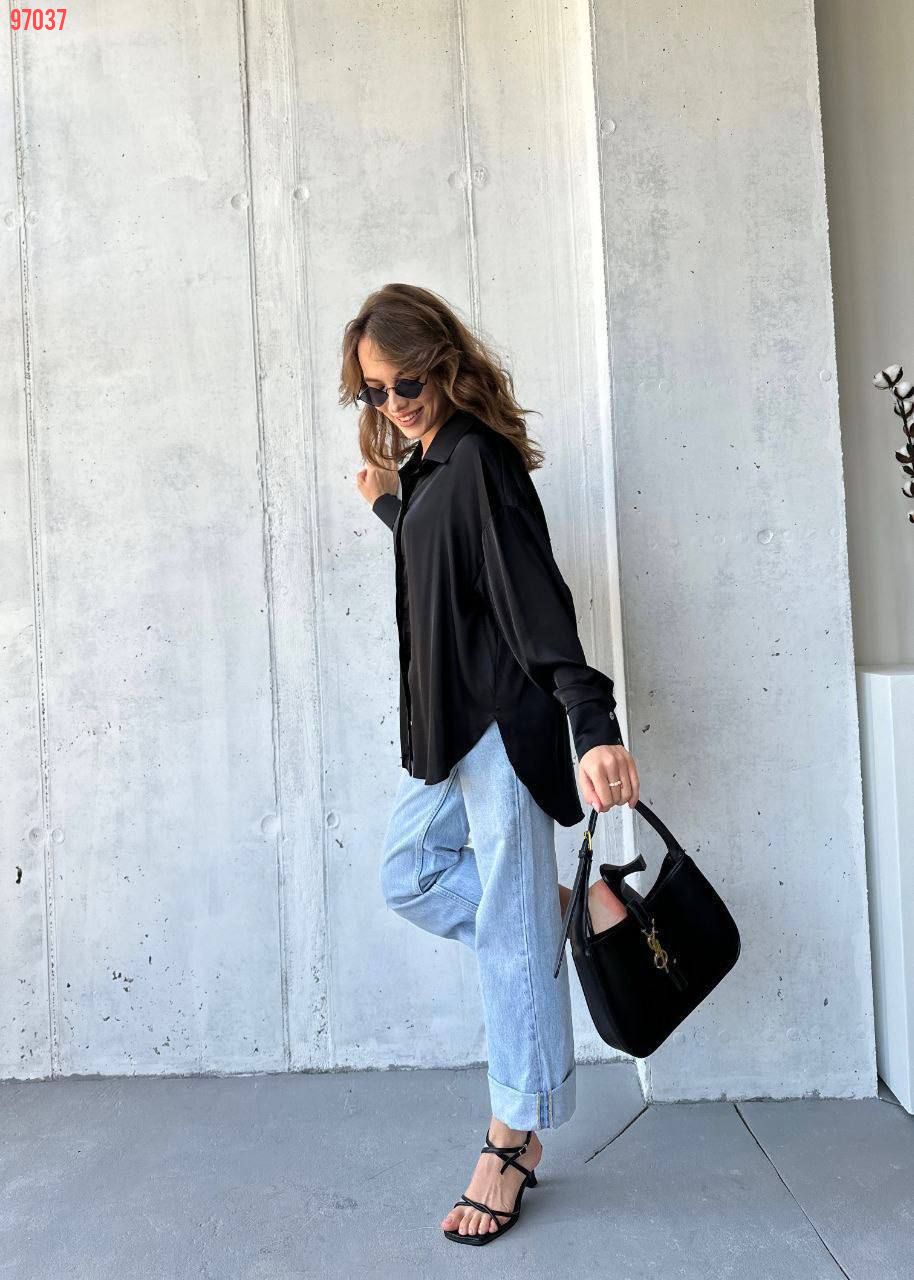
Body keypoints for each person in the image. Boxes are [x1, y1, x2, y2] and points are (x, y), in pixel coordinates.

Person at [344, 282, 640, 1245]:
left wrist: (591, 721)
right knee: (409, 874)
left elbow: (531, 597)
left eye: (408, 383)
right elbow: (445, 571)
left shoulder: (478, 458)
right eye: (375, 392)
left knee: (510, 938)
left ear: (444, 364)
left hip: (502, 727)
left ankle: (514, 1136)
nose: (395, 403)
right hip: (449, 734)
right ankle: (561, 911)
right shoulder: (431, 466)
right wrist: (393, 508)